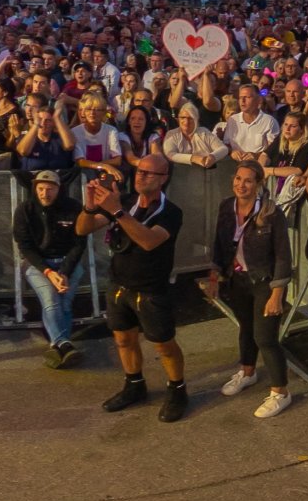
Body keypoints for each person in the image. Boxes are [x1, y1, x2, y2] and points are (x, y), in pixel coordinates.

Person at [84, 155, 192, 419]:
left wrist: (117, 212)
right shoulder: (126, 201)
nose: (141, 176)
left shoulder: (170, 212)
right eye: (139, 170)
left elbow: (149, 241)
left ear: (164, 178)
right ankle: (134, 385)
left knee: (163, 344)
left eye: (148, 173)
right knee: (123, 339)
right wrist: (89, 207)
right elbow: (82, 229)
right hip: (119, 283)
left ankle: (177, 389)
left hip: (151, 288)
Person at [207, 160, 296, 416]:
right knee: (246, 327)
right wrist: (214, 276)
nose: (241, 185)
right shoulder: (227, 206)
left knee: (265, 337)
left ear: (258, 184)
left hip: (264, 281)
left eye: (248, 180)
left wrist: (277, 294)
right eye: (238, 179)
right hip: (237, 280)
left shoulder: (271, 213)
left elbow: (283, 256)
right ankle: (247, 372)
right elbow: (219, 242)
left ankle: (281, 392)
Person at [15, 166, 82, 369]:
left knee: (65, 303)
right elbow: (24, 246)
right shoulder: (25, 209)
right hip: (37, 264)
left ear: (59, 189)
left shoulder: (73, 207)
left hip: (68, 262)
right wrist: (49, 272)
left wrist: (65, 272)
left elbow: (80, 243)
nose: (45, 193)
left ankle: (58, 348)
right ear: (35, 189)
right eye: (41, 189)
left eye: (50, 189)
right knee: (51, 301)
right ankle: (64, 344)